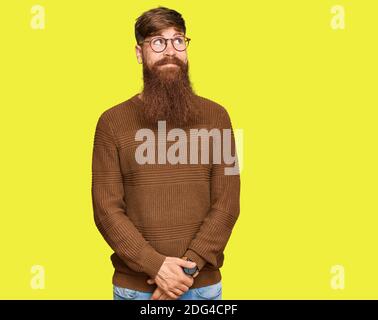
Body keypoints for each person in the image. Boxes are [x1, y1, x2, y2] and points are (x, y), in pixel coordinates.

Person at [91, 6, 240, 300]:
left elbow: (228, 202)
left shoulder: (218, 117)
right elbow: (106, 210)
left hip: (201, 289)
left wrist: (185, 271)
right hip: (136, 290)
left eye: (178, 40)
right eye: (158, 42)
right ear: (139, 53)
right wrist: (156, 266)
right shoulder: (111, 123)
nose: (170, 51)